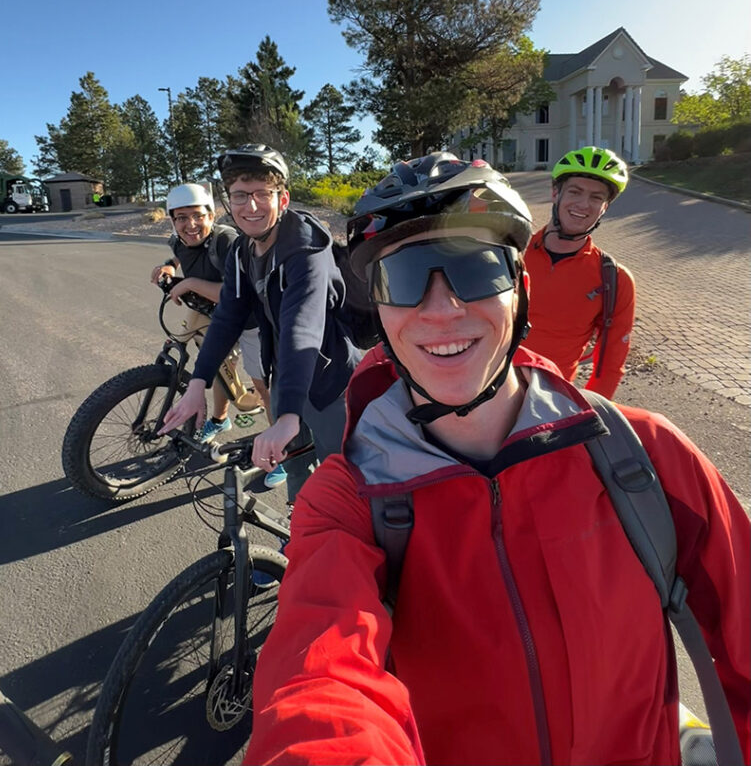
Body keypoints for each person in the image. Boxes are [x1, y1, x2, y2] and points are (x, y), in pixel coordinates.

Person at [244, 152, 750, 766]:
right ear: (379, 311)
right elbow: (318, 677)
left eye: (476, 271)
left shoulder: (645, 456)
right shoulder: (347, 497)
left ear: (521, 291)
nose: (440, 310)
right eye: (405, 279)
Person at [162, 145, 361, 505]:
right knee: (298, 469)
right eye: (240, 195)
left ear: (282, 199)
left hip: (332, 384)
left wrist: (286, 416)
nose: (250, 206)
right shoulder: (242, 250)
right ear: (228, 202)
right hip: (286, 377)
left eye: (261, 194)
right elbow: (227, 317)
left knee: (344, 479)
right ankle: (302, 533)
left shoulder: (307, 252)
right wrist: (197, 383)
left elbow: (303, 328)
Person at [150, 183, 280, 481]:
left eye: (197, 216)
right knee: (219, 365)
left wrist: (190, 284)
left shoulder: (228, 241)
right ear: (172, 220)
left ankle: (280, 451)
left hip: (250, 318)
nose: (190, 225)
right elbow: (183, 252)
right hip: (211, 312)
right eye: (181, 218)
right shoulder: (179, 239)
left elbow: (236, 293)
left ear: (212, 215)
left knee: (265, 386)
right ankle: (220, 420)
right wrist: (169, 266)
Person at [524, 146, 635, 398]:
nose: (584, 204)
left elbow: (610, 365)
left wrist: (587, 415)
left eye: (596, 197)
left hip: (552, 399)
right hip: (490, 391)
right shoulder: (513, 252)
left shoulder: (614, 279)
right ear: (555, 193)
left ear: (604, 207)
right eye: (575, 191)